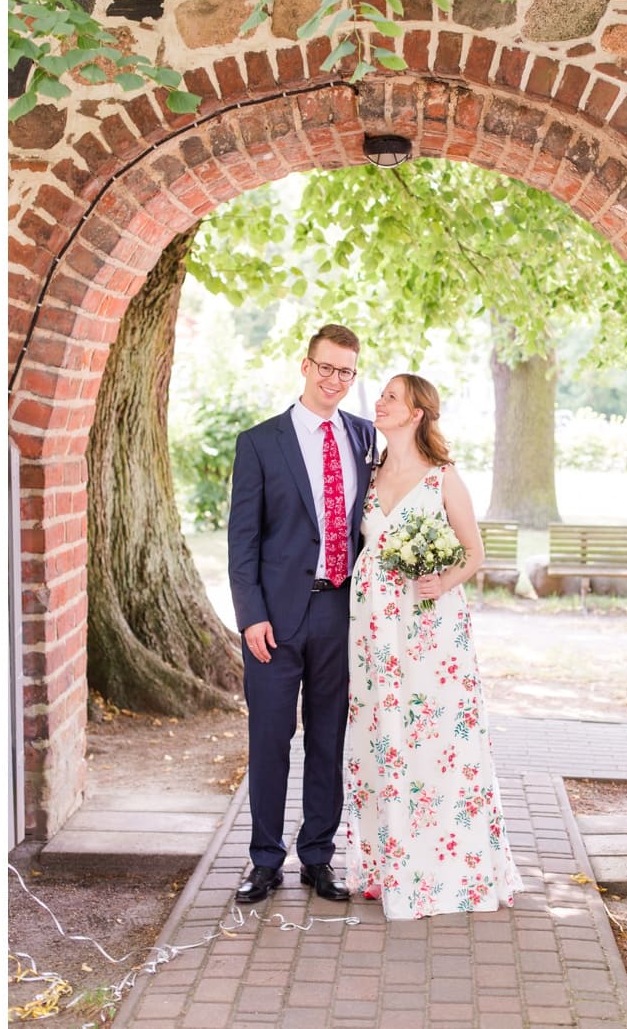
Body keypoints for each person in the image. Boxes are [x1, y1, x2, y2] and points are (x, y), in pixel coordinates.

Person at [344, 374, 524, 919]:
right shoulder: (368, 474)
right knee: (381, 736)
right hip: (373, 624)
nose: (380, 402)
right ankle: (386, 863)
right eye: (381, 395)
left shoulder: (443, 478)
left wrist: (440, 582)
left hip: (430, 630)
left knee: (436, 738)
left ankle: (446, 869)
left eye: (392, 397)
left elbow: (474, 554)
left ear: (418, 412)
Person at [227, 323, 376, 904]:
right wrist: (250, 616)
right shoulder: (261, 442)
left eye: (347, 371)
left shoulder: (365, 439)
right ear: (305, 365)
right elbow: (242, 541)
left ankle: (319, 856)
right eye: (327, 367)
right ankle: (265, 860)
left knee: (328, 739)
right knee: (269, 740)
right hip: (274, 619)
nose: (335, 380)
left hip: (341, 612)